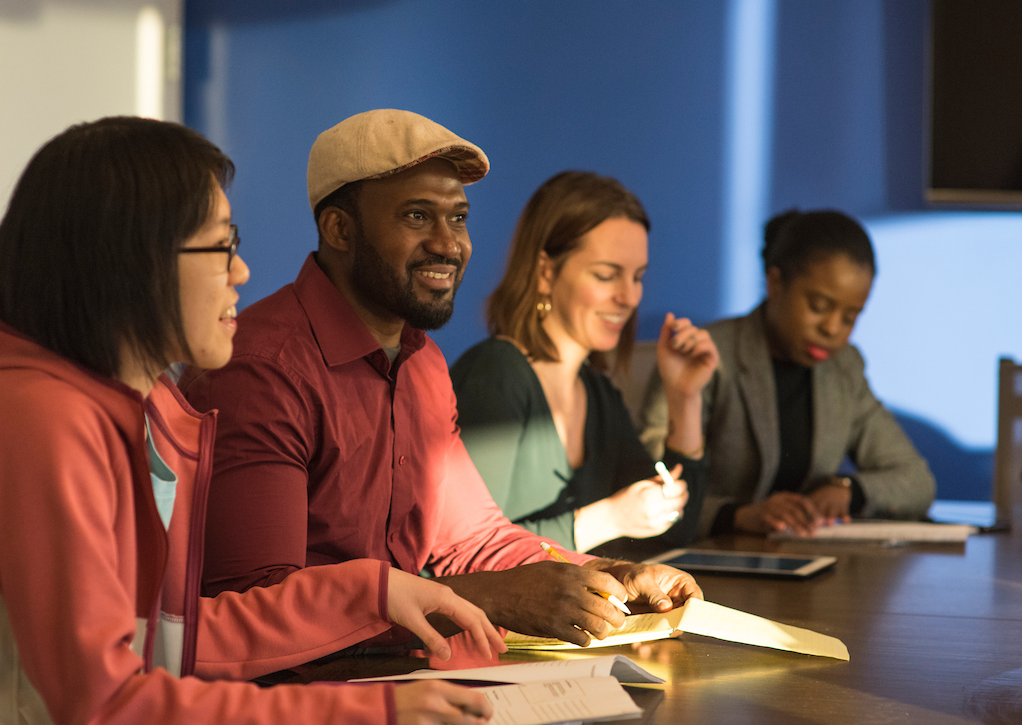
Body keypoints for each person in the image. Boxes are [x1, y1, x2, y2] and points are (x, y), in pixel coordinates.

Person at [0, 117, 508, 725]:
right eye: (220, 247)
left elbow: (164, 643)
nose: (240, 271)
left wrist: (371, 592)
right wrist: (367, 716)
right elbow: (108, 706)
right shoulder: (37, 422)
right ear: (136, 261)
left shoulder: (128, 408)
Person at [181, 109, 702, 649]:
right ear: (339, 229)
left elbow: (474, 541)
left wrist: (610, 577)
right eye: (415, 216)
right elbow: (255, 610)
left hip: (403, 679)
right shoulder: (263, 367)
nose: (448, 244)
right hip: (294, 699)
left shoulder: (423, 361)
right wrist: (491, 599)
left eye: (458, 218)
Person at [450, 171, 719, 554]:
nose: (629, 297)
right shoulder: (496, 374)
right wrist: (609, 518)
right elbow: (464, 550)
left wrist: (685, 397)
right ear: (546, 272)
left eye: (637, 277)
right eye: (607, 275)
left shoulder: (598, 393)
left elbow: (675, 532)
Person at [640, 209, 936, 537]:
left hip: (800, 561)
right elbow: (645, 485)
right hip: (705, 562)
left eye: (850, 317)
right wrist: (738, 516)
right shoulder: (705, 358)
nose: (832, 328)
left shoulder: (844, 369)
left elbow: (917, 481)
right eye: (819, 306)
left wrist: (850, 491)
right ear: (775, 282)